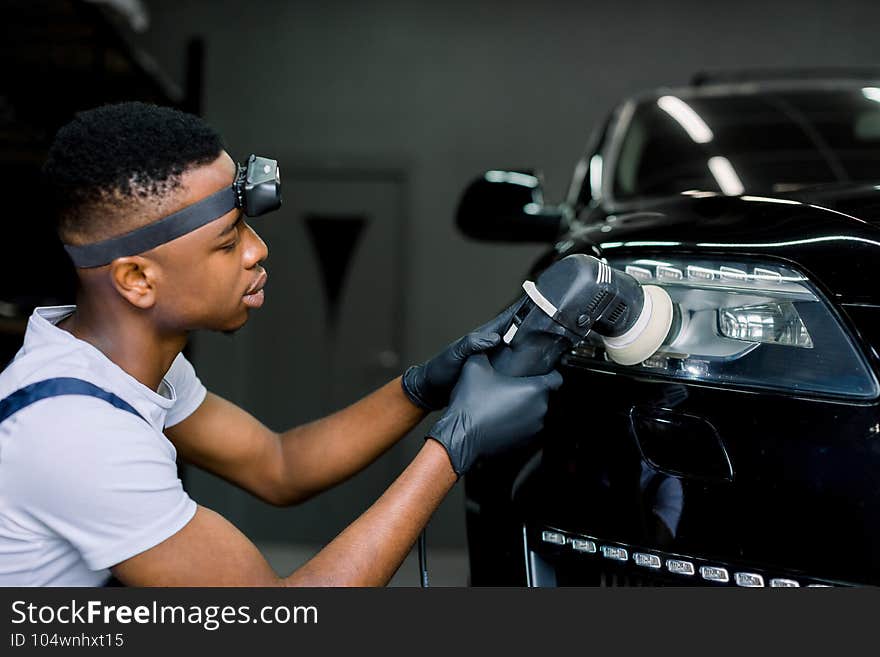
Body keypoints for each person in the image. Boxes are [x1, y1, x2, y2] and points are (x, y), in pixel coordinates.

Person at [0, 102, 562, 586]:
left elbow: (279, 465)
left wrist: (422, 386)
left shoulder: (125, 366)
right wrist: (453, 448)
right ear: (137, 279)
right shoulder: (75, 431)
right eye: (226, 243)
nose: (257, 250)